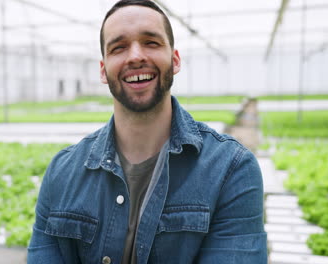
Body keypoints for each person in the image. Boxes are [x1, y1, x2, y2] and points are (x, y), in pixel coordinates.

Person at [27, 0, 267, 263]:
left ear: (175, 60)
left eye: (151, 42)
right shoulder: (62, 172)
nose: (135, 56)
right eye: (118, 48)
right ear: (103, 70)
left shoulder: (230, 170)